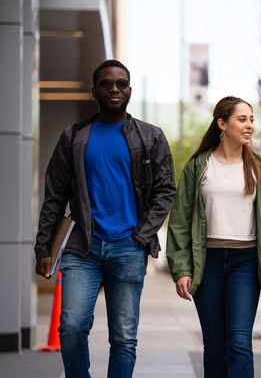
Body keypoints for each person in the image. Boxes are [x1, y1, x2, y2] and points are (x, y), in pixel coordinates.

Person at [34, 60, 176, 378]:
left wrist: (141, 236)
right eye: (107, 83)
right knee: (70, 328)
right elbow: (54, 196)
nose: (115, 89)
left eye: (121, 83)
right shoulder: (74, 137)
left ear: (129, 90)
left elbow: (166, 191)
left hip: (129, 247)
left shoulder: (150, 137)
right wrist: (44, 247)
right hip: (82, 247)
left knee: (124, 338)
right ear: (94, 89)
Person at [166, 96, 261, 377]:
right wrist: (181, 268)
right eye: (242, 119)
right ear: (222, 124)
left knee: (239, 343)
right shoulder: (198, 167)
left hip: (246, 262)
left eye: (251, 119)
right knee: (215, 347)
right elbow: (181, 221)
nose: (250, 126)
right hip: (206, 262)